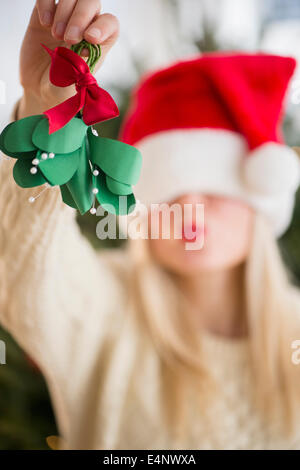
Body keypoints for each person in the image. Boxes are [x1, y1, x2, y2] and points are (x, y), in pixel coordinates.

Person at [0, 0, 300, 450]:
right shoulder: (106, 311)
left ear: (259, 198)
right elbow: (21, 273)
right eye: (171, 189)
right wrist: (48, 110)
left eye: (214, 185)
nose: (191, 204)